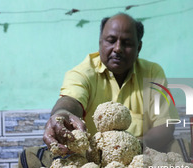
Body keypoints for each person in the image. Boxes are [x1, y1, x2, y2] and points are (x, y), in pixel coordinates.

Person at [43, 13, 179, 157]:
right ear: (100, 42)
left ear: (138, 48)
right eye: (111, 40)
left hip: (141, 155)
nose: (118, 48)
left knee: (180, 147)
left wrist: (133, 147)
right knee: (35, 155)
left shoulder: (152, 73)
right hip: (91, 158)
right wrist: (62, 114)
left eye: (127, 43)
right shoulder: (83, 73)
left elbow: (165, 126)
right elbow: (70, 101)